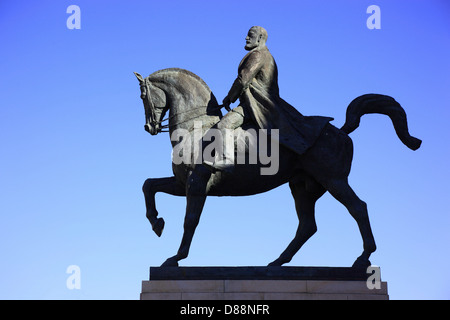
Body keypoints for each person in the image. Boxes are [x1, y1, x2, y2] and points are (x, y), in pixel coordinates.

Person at [203, 26, 332, 173]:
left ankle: (226, 160)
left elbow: (243, 79)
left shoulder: (259, 54)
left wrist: (229, 97)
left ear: (259, 38)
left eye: (250, 35)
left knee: (223, 125)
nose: (246, 38)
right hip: (259, 103)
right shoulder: (266, 56)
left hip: (256, 104)